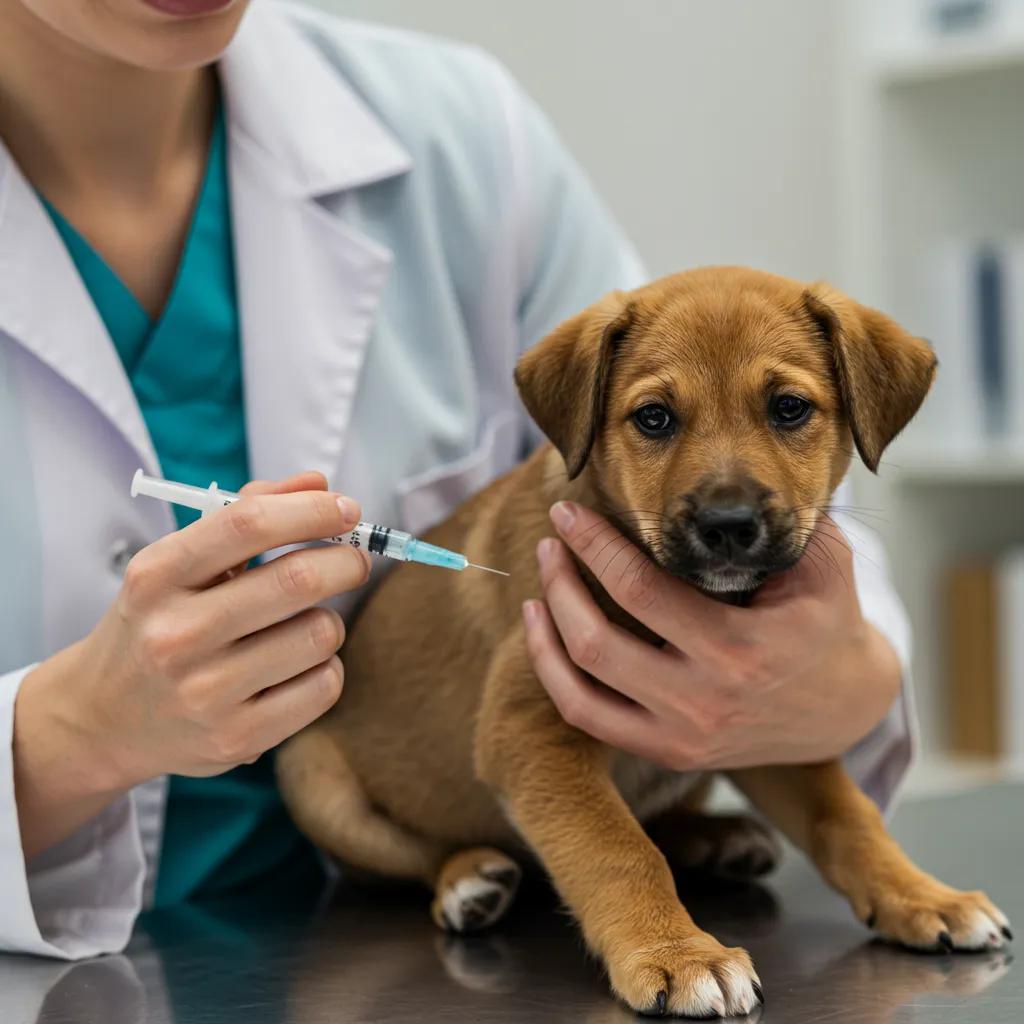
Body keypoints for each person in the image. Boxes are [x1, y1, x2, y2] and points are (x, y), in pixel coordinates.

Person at [0, 0, 911, 959]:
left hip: (396, 962)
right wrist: (65, 737)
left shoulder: (464, 130)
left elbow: (746, 456)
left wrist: (850, 674)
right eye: (652, 420)